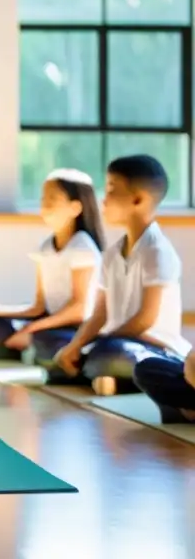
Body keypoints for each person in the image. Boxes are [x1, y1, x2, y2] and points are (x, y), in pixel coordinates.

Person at [52, 155, 191, 396]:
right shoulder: (112, 254)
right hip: (114, 342)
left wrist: (96, 341)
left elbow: (145, 319)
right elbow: (99, 313)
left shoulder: (157, 251)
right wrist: (75, 345)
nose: (103, 200)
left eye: (111, 190)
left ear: (138, 199)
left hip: (153, 347)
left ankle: (110, 376)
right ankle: (109, 378)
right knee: (57, 348)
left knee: (109, 352)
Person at [0, 169, 104, 363]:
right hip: (49, 320)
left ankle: (19, 346)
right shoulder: (45, 247)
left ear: (75, 208)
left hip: (74, 326)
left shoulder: (82, 247)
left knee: (49, 341)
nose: (44, 203)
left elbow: (79, 309)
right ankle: (22, 346)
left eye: (52, 198)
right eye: (43, 197)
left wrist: (32, 329)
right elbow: (38, 306)